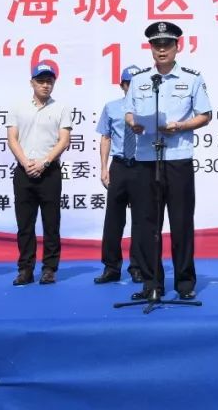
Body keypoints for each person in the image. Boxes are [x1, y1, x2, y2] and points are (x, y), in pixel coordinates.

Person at [125, 21, 212, 301]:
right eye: (156, 45)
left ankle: (184, 283)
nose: (161, 50)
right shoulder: (139, 80)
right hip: (146, 159)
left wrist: (181, 126)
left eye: (167, 45)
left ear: (177, 47)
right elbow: (129, 113)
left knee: (181, 222)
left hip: (177, 159)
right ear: (150, 48)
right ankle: (152, 284)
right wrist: (134, 124)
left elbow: (205, 115)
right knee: (147, 223)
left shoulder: (192, 77)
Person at [6, 62, 72, 286]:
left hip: (49, 171)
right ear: (31, 82)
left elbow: (64, 140)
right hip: (24, 171)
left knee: (51, 222)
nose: (45, 85)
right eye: (41, 81)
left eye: (49, 81)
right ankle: (25, 269)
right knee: (25, 224)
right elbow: (12, 138)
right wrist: (25, 162)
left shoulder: (61, 108)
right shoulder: (17, 107)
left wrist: (44, 162)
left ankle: (49, 269)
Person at [94, 65, 144, 284]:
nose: (131, 87)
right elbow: (105, 137)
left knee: (142, 220)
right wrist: (104, 167)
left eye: (135, 83)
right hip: (119, 165)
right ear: (122, 85)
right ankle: (111, 266)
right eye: (127, 83)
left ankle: (138, 266)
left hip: (142, 165)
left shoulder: (149, 108)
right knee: (114, 218)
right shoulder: (112, 107)